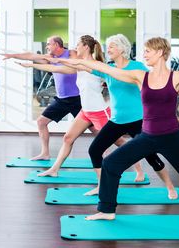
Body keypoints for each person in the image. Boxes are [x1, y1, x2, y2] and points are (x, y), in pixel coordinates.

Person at [66, 37, 179, 220]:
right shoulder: (141, 76)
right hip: (147, 136)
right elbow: (106, 69)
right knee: (110, 164)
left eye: (148, 51)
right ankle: (107, 210)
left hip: (172, 137)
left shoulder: (177, 77)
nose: (144, 54)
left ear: (160, 52)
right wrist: (74, 61)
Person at [56, 34, 177, 199]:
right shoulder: (109, 68)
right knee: (94, 150)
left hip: (137, 120)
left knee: (150, 156)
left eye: (112, 46)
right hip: (117, 120)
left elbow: (156, 82)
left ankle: (170, 187)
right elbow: (84, 64)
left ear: (121, 49)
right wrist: (61, 60)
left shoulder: (137, 67)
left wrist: (175, 88)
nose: (108, 49)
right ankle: (101, 186)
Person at [16, 35, 132, 178]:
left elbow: (116, 79)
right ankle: (54, 169)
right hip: (86, 111)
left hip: (99, 112)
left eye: (78, 44)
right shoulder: (78, 65)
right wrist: (32, 65)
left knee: (118, 141)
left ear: (86, 47)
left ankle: (137, 168)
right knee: (68, 138)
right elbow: (54, 67)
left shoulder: (98, 66)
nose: (75, 47)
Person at [2, 36, 81, 160]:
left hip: (77, 99)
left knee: (95, 129)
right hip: (61, 99)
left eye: (49, 44)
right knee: (41, 122)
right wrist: (12, 55)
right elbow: (31, 56)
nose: (47, 47)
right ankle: (45, 153)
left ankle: (115, 147)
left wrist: (56, 60)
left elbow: (74, 67)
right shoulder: (50, 58)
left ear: (56, 44)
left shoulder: (71, 53)